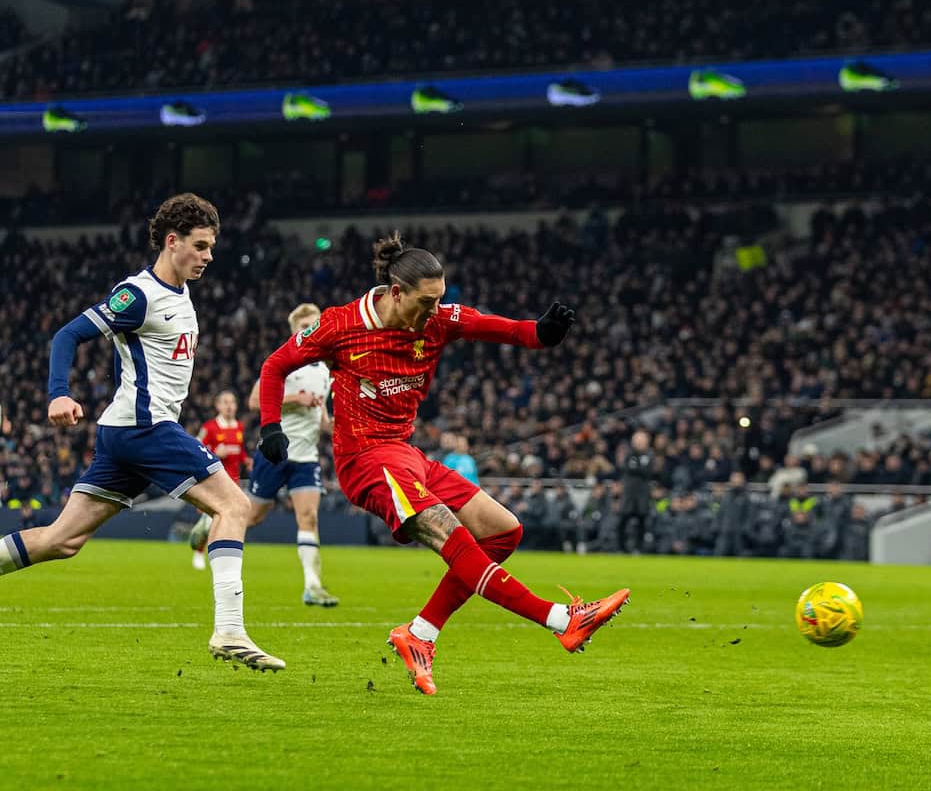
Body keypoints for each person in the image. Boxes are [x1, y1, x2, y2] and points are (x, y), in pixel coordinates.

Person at [256, 233, 628, 694]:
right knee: (449, 533)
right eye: (426, 301)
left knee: (503, 530)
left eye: (439, 300)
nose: (435, 311)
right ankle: (560, 619)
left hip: (407, 454)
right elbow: (275, 365)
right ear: (396, 293)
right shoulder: (341, 325)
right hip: (367, 459)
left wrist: (541, 333)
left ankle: (420, 634)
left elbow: (502, 329)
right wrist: (271, 427)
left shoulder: (437, 321)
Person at [0, 193, 284, 671]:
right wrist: (56, 393)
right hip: (145, 428)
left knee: (62, 541)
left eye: (211, 246)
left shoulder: (178, 292)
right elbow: (67, 334)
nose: (209, 256)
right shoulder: (138, 295)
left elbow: (130, 355)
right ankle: (230, 631)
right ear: (172, 243)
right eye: (200, 246)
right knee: (234, 506)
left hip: (126, 431)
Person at [192, 304, 338, 605]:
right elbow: (255, 401)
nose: (312, 330)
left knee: (308, 517)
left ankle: (312, 586)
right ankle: (210, 523)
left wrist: (341, 423)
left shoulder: (325, 372)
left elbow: (323, 421)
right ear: (295, 331)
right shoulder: (284, 362)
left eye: (316, 325)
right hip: (275, 452)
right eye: (306, 326)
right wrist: (295, 398)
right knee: (253, 515)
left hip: (306, 457)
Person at [189, 390, 250, 570]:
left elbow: (240, 450)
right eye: (225, 402)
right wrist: (216, 453)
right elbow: (195, 451)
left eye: (232, 402)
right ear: (218, 406)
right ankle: (199, 551)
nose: (229, 406)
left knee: (226, 518)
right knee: (214, 518)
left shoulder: (239, 427)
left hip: (233, 481)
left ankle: (220, 554)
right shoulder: (209, 428)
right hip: (213, 481)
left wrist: (247, 460)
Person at [617, 430, 654, 553]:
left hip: (642, 494)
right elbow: (626, 468)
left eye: (642, 441)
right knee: (622, 521)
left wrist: (636, 468)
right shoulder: (629, 454)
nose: (639, 444)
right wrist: (640, 468)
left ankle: (638, 548)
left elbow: (648, 471)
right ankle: (621, 548)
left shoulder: (649, 455)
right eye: (637, 441)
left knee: (642, 522)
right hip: (629, 494)